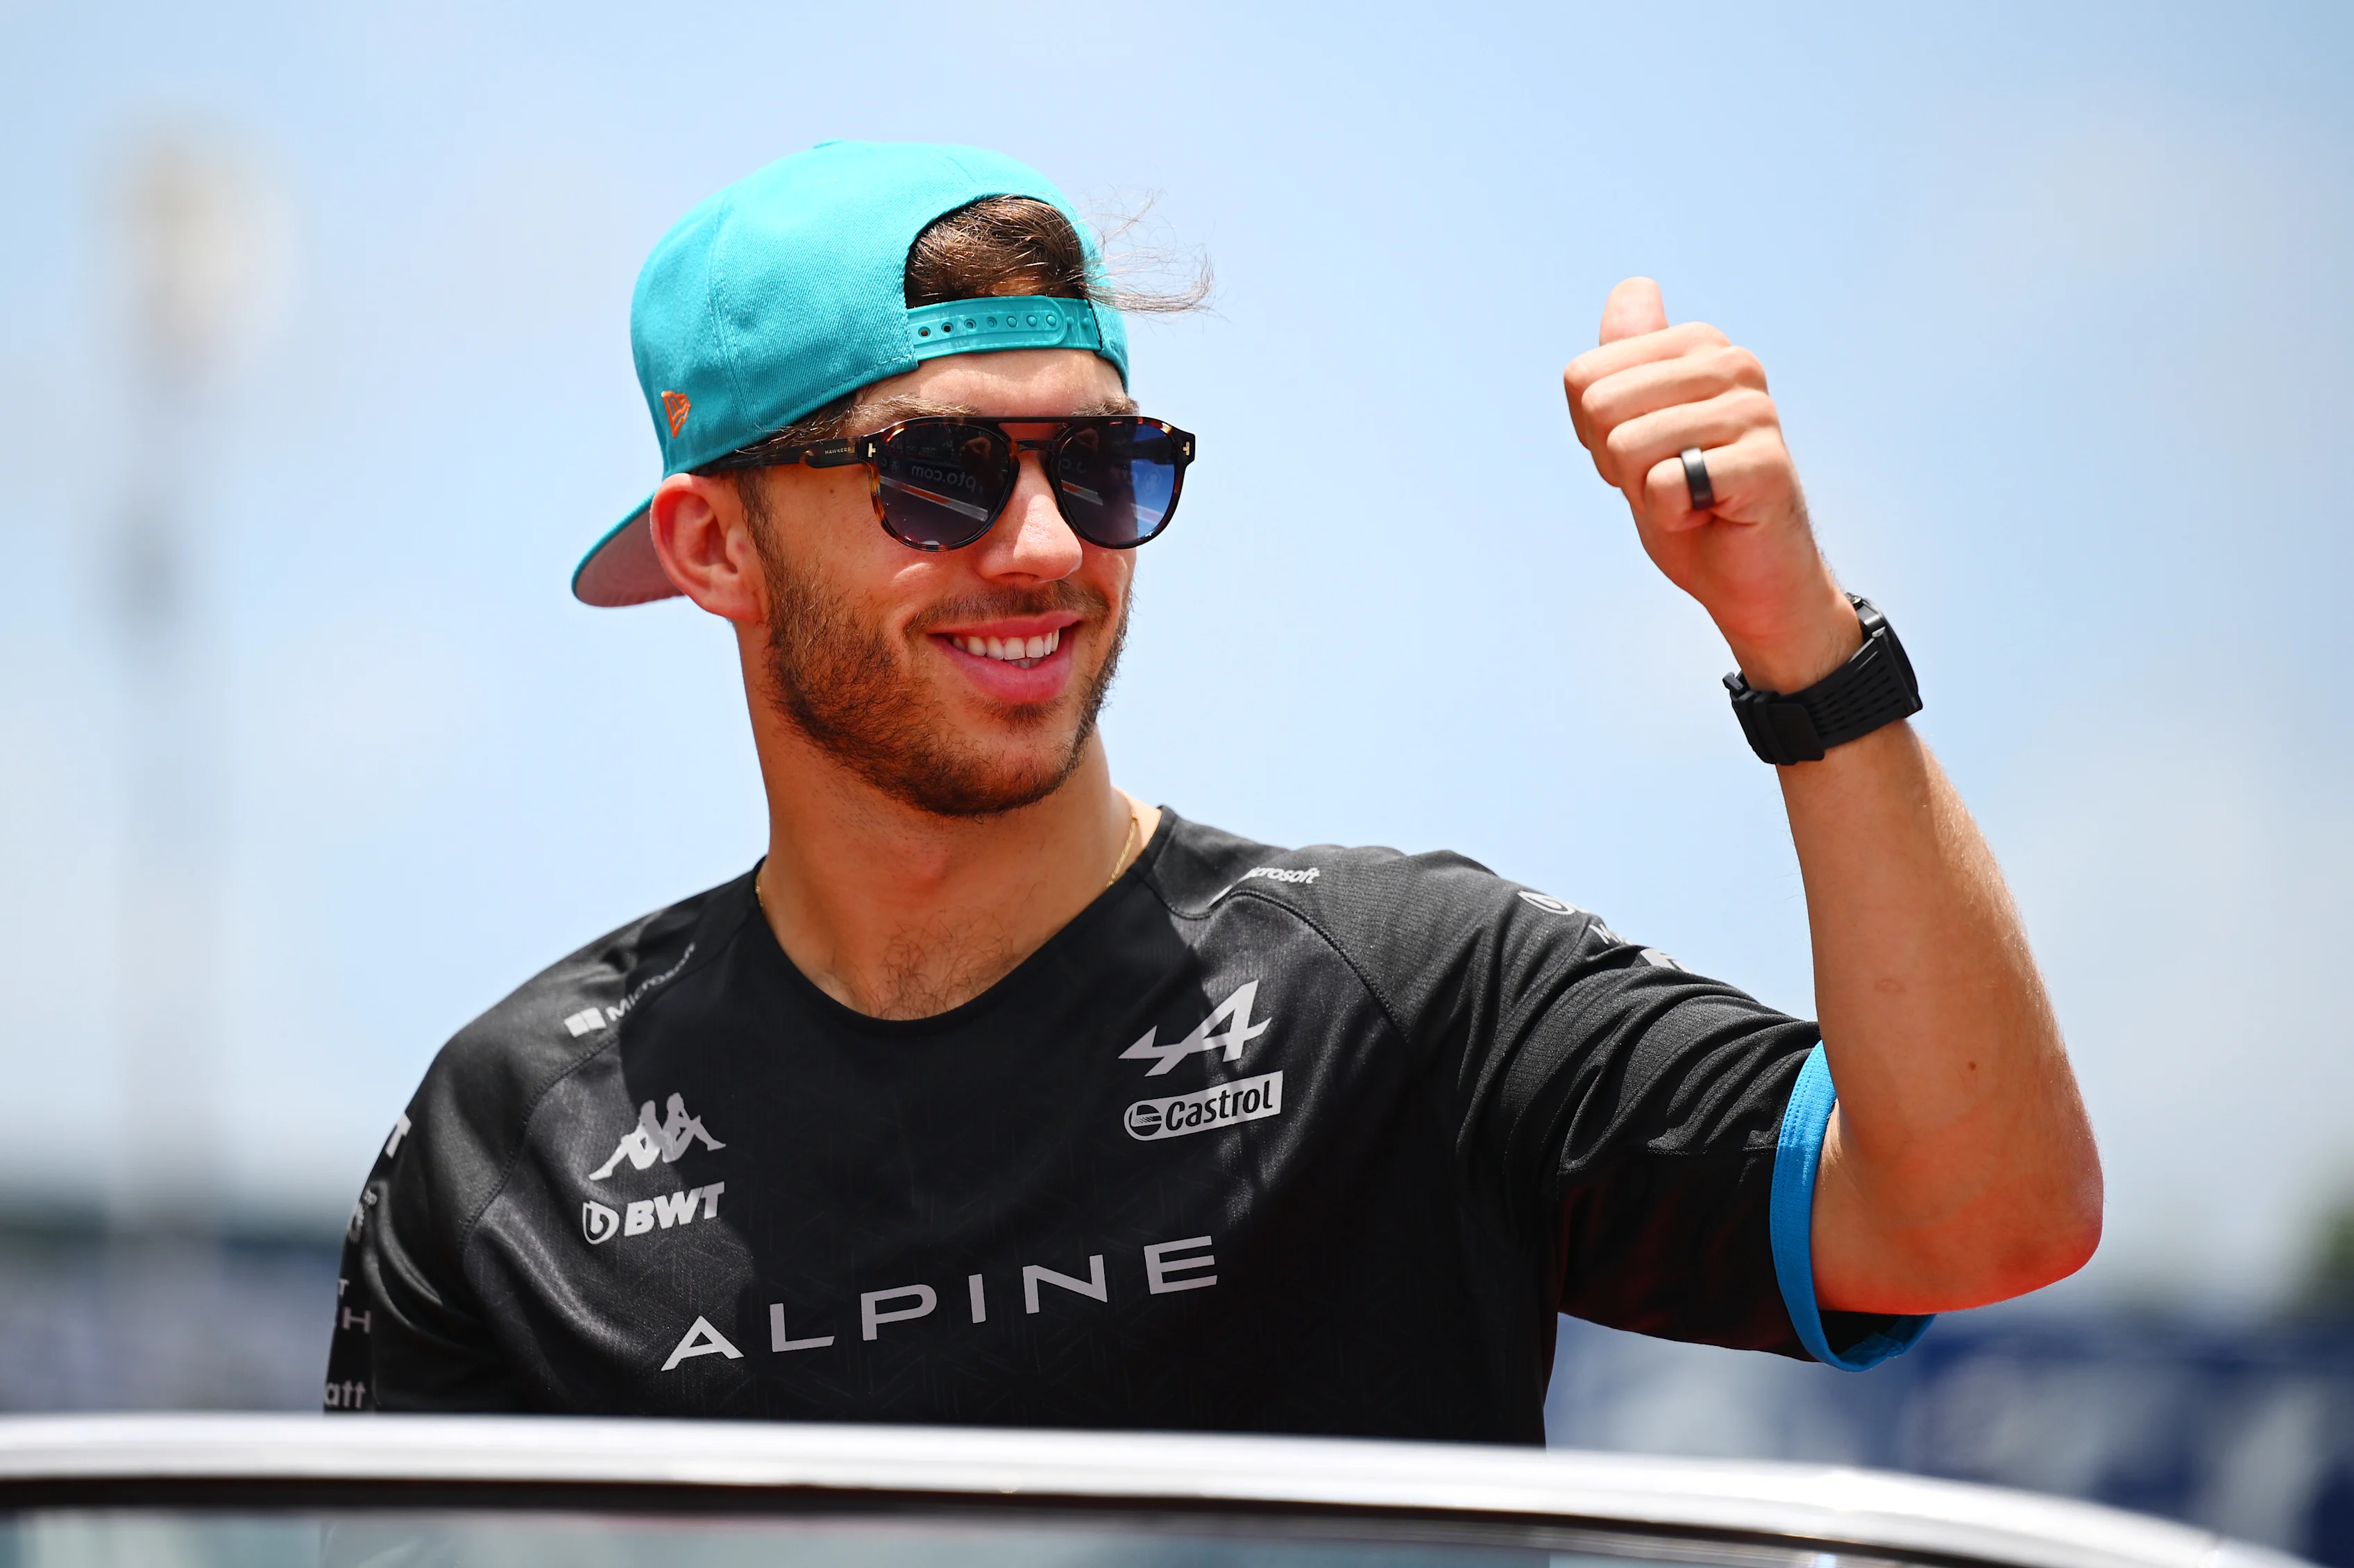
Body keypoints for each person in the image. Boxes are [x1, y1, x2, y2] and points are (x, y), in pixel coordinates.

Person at [323, 140, 2101, 1439]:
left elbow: (1981, 1215)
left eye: (1103, 466)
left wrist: (1797, 637)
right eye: (939, 473)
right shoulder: (509, 1134)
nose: (1044, 546)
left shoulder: (1405, 988)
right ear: (713, 545)